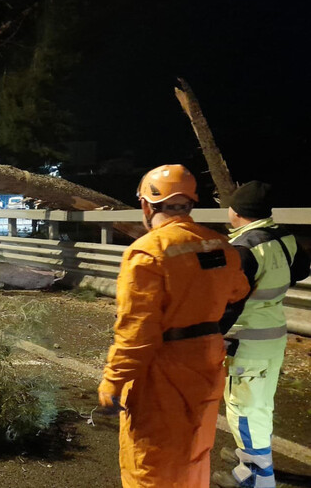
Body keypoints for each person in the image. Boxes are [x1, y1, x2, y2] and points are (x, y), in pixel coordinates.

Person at [98, 164, 251, 487]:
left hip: (163, 372)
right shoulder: (220, 245)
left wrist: (113, 383)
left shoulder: (147, 254)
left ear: (146, 205)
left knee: (151, 463)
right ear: (190, 204)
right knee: (193, 455)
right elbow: (238, 290)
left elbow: (136, 335)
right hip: (208, 363)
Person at [212, 181, 310, 488]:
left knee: (243, 408)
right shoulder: (284, 237)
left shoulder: (244, 248)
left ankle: (255, 477)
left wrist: (212, 336)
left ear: (237, 212)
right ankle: (251, 458)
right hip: (273, 334)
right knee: (259, 404)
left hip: (248, 339)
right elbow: (301, 269)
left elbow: (230, 301)